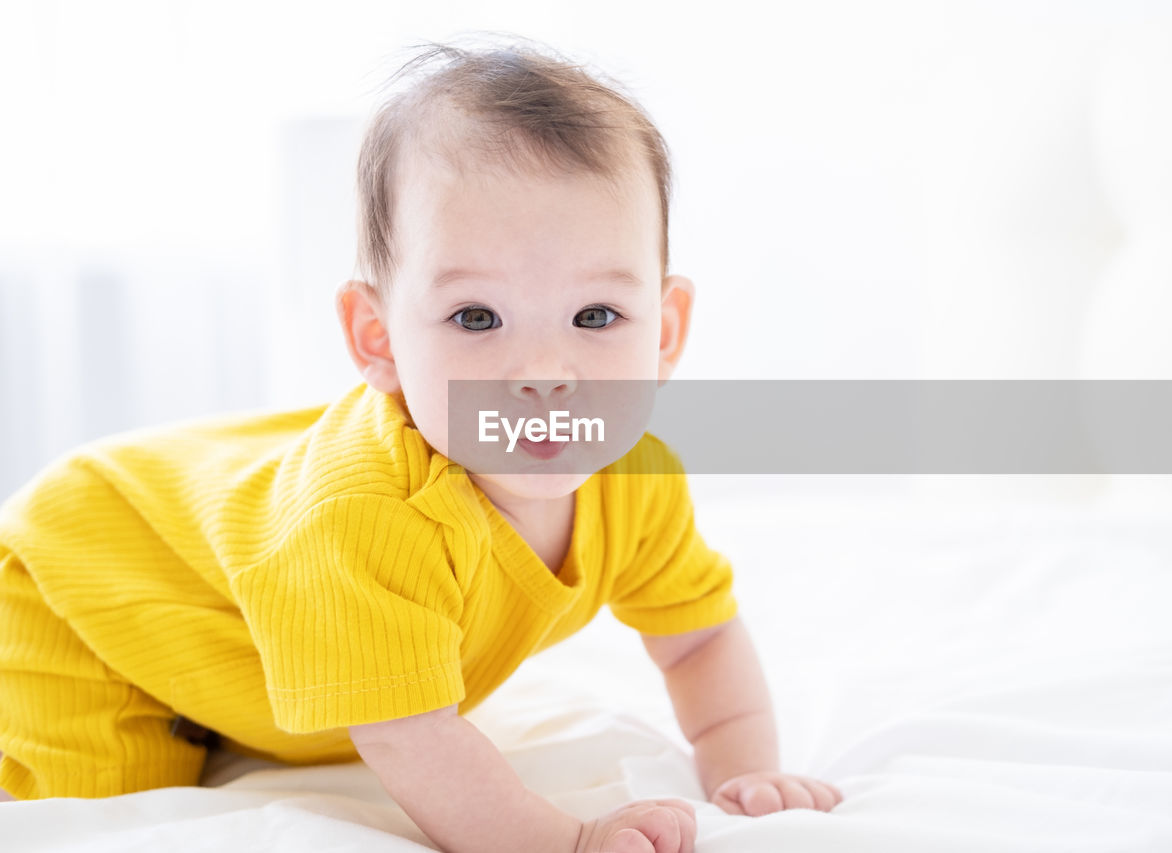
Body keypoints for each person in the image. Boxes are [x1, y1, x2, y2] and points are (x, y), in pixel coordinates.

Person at [0, 39, 842, 851]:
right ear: (378, 336)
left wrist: (746, 775)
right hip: (85, 591)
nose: (543, 373)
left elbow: (698, 639)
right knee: (115, 808)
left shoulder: (637, 478)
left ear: (666, 330)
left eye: (596, 316)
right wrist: (568, 840)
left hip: (224, 628)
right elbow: (409, 735)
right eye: (476, 318)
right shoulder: (368, 517)